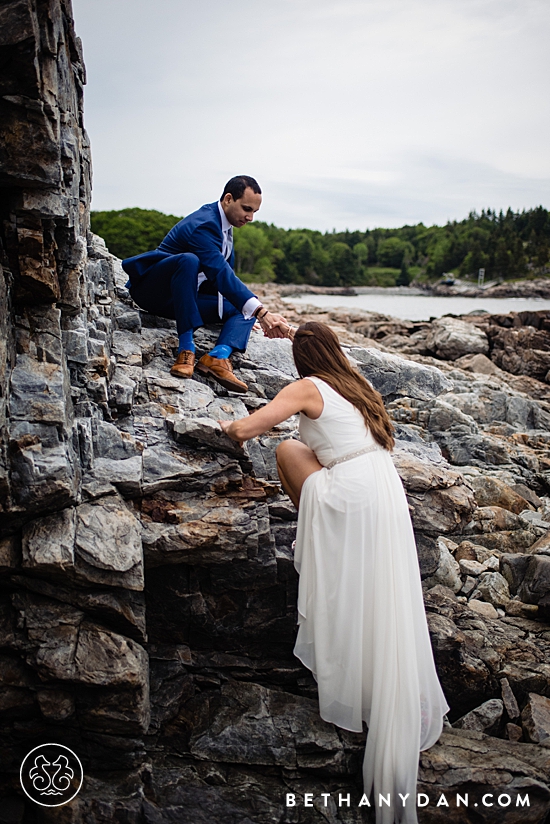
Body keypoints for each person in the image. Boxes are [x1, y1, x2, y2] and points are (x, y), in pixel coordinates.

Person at [220, 322, 449, 824]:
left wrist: (215, 426)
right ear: (335, 350)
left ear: (301, 358)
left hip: (351, 495)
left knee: (284, 450)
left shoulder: (307, 386)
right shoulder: (356, 384)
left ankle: (317, 529)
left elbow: (246, 429)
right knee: (382, 597)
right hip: (384, 493)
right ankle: (391, 692)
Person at [121, 175, 289, 393]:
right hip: (154, 293)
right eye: (247, 209)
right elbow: (219, 272)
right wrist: (262, 313)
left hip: (187, 299)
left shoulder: (226, 227)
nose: (250, 217)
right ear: (228, 199)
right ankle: (186, 349)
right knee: (189, 260)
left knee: (243, 310)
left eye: (254, 212)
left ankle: (217, 358)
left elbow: (225, 280)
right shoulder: (204, 224)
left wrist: (250, 313)